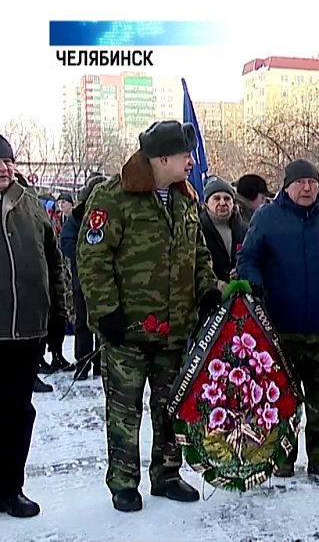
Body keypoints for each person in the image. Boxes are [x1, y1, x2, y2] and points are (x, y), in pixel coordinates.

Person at [77, 120, 223, 512]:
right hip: (127, 330)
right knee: (125, 412)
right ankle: (123, 483)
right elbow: (92, 259)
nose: (191, 161)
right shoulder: (115, 197)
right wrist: (106, 311)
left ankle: (167, 474)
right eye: (184, 155)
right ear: (162, 158)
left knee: (170, 406)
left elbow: (198, 254)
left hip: (175, 329)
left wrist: (207, 288)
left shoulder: (186, 199)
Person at [237, 159, 319, 481]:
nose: (307, 188)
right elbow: (248, 258)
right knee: (281, 399)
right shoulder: (267, 218)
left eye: (313, 182)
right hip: (280, 329)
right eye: (300, 182)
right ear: (287, 185)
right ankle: (282, 456)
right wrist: (255, 288)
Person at [0, 135, 67, 518]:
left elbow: (54, 261)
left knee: (18, 412)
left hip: (27, 331)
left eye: (7, 161)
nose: (2, 168)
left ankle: (12, 487)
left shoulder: (31, 205)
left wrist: (58, 312)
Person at [61, 174, 108, 379]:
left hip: (108, 282)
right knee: (83, 324)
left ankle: (101, 364)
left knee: (105, 324)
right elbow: (66, 241)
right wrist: (87, 258)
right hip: (83, 280)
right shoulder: (78, 216)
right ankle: (83, 363)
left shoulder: (112, 213)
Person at [198, 177, 247, 281]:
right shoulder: (198, 230)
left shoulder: (244, 230)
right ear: (206, 203)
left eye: (227, 198)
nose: (222, 203)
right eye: (216, 198)